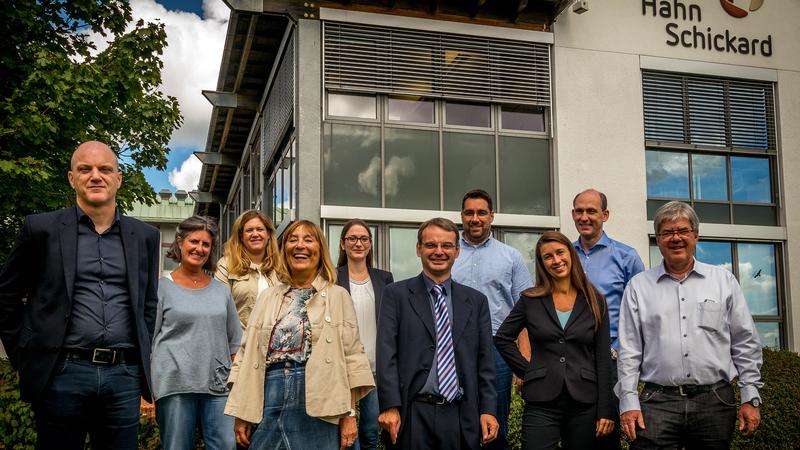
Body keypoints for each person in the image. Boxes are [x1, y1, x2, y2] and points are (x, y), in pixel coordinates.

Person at [0, 141, 160, 449]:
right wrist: (25, 357)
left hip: (123, 374)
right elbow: (6, 295)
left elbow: (148, 305)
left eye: (105, 169)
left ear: (118, 178)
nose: (95, 176)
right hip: (63, 372)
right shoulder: (40, 229)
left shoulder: (145, 237)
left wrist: (141, 362)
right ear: (72, 178)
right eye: (85, 169)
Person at [617, 201, 763, 449]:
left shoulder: (723, 281)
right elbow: (629, 350)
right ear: (658, 239)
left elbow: (744, 343)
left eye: (683, 231)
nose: (676, 238)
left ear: (696, 235)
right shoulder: (638, 287)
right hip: (657, 402)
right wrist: (628, 401)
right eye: (667, 233)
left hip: (714, 401)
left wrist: (751, 396)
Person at [225, 220, 374, 450]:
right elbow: (246, 354)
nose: (300, 246)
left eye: (308, 240)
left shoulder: (338, 296)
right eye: (293, 240)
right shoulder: (267, 297)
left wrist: (349, 414)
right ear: (284, 249)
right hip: (268, 397)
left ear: (320, 249)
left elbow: (352, 357)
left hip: (321, 399)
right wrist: (241, 411)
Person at [377, 217, 498, 450]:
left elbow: (485, 361)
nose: (439, 251)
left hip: (461, 415)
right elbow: (386, 354)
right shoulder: (395, 295)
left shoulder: (476, 301)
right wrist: (390, 405)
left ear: (457, 251)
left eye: (446, 245)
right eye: (431, 245)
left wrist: (488, 410)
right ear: (418, 249)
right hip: (413, 414)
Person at [494, 231, 614, 450]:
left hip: (585, 402)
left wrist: (606, 409)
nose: (556, 260)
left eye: (560, 252)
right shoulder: (531, 299)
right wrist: (528, 371)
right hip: (541, 402)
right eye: (548, 256)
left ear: (571, 254)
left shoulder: (596, 301)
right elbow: (502, 338)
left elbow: (604, 358)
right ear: (542, 263)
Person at [150, 215, 241, 450]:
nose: (199, 249)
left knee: (226, 445)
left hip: (217, 385)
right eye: (194, 241)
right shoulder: (161, 288)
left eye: (206, 244)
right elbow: (150, 340)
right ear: (179, 243)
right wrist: (147, 388)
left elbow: (235, 343)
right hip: (174, 384)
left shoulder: (221, 291)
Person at [452, 189, 533, 449]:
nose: (475, 219)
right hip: (453, 347)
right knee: (454, 418)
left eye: (481, 213)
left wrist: (524, 362)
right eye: (469, 213)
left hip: (498, 349)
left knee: (495, 421)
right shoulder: (448, 254)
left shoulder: (511, 257)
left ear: (492, 216)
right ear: (462, 216)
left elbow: (525, 310)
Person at [571, 188, 644, 450]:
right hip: (572, 360)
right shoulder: (564, 256)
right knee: (575, 434)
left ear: (605, 215)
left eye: (591, 211)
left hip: (611, 363)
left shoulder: (627, 257)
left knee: (606, 434)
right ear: (572, 215)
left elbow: (639, 313)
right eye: (579, 211)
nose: (585, 216)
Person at [335, 219, 394, 450]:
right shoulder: (331, 276)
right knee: (345, 434)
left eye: (363, 239)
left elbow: (391, 323)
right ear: (342, 244)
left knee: (370, 432)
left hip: (374, 368)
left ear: (370, 244)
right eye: (352, 238)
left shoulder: (384, 278)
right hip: (342, 367)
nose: (358, 243)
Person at [215, 209, 280, 328]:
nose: (255, 234)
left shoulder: (281, 267)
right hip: (240, 343)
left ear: (269, 234)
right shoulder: (226, 265)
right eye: (249, 230)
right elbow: (219, 308)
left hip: (274, 343)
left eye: (260, 229)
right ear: (241, 236)